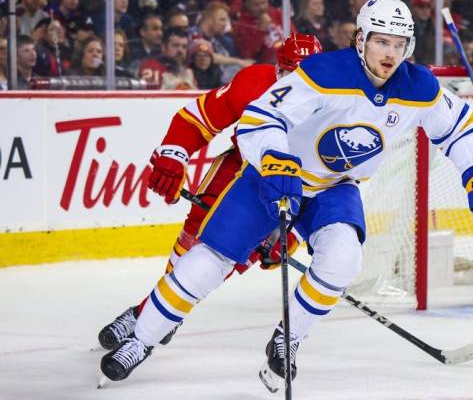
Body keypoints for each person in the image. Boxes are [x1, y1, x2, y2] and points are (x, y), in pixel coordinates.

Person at [99, 0, 473, 386]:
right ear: (361, 40)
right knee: (205, 263)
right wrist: (275, 161)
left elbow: (458, 126)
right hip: (272, 177)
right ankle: (143, 338)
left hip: (334, 187)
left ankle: (289, 338)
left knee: (343, 258)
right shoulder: (323, 73)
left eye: (399, 43)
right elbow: (262, 116)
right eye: (381, 41)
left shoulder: (419, 87)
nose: (389, 53)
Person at [97, 33, 323, 357]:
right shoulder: (254, 82)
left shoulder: (336, 104)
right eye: (287, 73)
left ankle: (147, 315)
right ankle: (155, 313)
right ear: (278, 68)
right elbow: (198, 117)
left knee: (220, 261)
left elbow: (331, 180)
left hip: (292, 187)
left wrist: (291, 232)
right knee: (190, 242)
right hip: (238, 170)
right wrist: (175, 155)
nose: (292, 84)